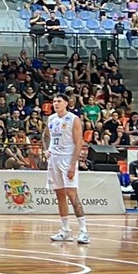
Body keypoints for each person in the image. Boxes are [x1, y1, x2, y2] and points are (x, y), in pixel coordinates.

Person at [44, 93, 88, 244]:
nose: (55, 103)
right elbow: (45, 136)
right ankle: (65, 230)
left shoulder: (73, 119)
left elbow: (79, 143)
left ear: (66, 103)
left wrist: (72, 164)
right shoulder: (51, 119)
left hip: (67, 159)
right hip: (54, 159)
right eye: (54, 101)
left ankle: (83, 231)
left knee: (72, 194)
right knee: (60, 194)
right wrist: (46, 149)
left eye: (59, 101)